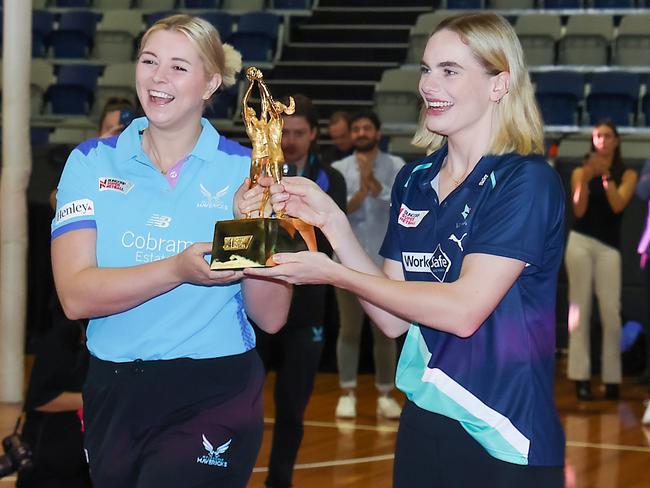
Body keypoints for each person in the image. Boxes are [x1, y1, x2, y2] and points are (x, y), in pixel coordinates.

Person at [247, 12, 566, 487]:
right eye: (425, 69)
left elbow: (463, 311)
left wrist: (333, 274)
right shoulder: (415, 181)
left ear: (500, 84)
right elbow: (392, 315)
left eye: (449, 71)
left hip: (506, 431)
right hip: (423, 418)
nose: (428, 85)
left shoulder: (525, 181)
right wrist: (334, 225)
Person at [50, 15, 292, 488]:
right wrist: (178, 269)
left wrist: (255, 226)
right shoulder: (89, 162)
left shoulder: (248, 171)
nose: (159, 78)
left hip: (214, 388)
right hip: (113, 389)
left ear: (211, 83)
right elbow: (76, 296)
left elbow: (272, 316)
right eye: (149, 61)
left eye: (180, 67)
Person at [254, 94, 346, 488]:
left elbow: (325, 243)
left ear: (313, 135)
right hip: (258, 301)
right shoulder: (258, 173)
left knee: (292, 408)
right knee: (242, 402)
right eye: (284, 132)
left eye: (297, 133)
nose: (289, 140)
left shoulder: (330, 181)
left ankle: (280, 481)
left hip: (307, 308)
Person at [330, 110, 404, 419]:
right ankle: (347, 392)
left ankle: (385, 393)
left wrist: (375, 185)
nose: (361, 133)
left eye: (366, 128)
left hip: (385, 265)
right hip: (347, 265)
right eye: (356, 128)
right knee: (349, 330)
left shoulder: (396, 166)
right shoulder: (338, 169)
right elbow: (334, 213)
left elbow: (401, 208)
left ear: (377, 132)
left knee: (385, 334)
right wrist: (360, 191)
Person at [565, 120, 638, 401]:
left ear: (616, 141)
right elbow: (579, 210)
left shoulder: (627, 173)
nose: (603, 141)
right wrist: (585, 179)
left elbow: (618, 204)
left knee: (610, 313)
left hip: (610, 248)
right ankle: (580, 377)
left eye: (608, 136)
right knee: (579, 313)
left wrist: (606, 178)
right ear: (593, 141)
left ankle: (611, 379)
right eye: (598, 136)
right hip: (580, 243)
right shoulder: (580, 172)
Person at [16, 303, 90, 488]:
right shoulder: (63, 335)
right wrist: (94, 398)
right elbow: (40, 398)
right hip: (51, 462)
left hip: (74, 460)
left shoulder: (84, 333)